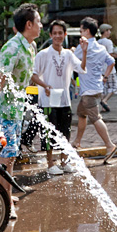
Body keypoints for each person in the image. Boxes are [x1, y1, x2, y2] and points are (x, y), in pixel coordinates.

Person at [0, 3, 41, 220]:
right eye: (39, 21)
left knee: (11, 157)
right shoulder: (12, 48)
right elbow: (0, 80)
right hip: (2, 111)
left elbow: (26, 77)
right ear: (29, 24)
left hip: (15, 110)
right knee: (7, 157)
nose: (41, 25)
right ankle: (5, 200)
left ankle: (3, 194)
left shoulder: (31, 47)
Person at [32, 19, 87, 176]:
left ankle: (64, 162)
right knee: (49, 133)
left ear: (65, 34)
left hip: (64, 100)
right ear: (50, 35)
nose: (57, 36)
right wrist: (45, 86)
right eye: (54, 33)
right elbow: (33, 75)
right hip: (47, 100)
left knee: (65, 132)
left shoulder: (68, 54)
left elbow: (82, 69)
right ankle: (50, 164)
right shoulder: (43, 54)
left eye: (60, 33)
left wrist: (84, 51)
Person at [72, 17, 117, 162]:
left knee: (95, 118)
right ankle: (77, 142)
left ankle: (110, 145)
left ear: (86, 31)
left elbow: (72, 59)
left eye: (81, 31)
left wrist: (73, 50)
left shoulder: (84, 47)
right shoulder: (100, 47)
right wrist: (105, 77)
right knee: (81, 114)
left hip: (89, 90)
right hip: (97, 87)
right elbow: (112, 62)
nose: (80, 34)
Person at [98, 23, 117, 112]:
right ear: (104, 32)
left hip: (101, 68)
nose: (109, 32)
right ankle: (104, 100)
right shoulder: (108, 42)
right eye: (108, 30)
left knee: (104, 88)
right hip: (109, 68)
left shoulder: (98, 42)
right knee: (114, 87)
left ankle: (103, 103)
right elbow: (111, 55)